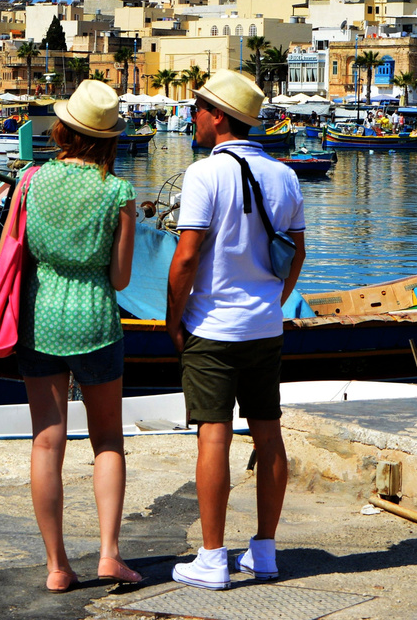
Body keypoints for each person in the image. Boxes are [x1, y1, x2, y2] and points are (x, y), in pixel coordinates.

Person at [166, 70, 306, 590]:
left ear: (219, 116)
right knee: (268, 433)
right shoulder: (284, 175)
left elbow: (185, 259)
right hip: (264, 327)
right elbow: (297, 253)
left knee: (214, 436)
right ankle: (264, 551)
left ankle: (210, 557)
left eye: (198, 108)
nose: (193, 116)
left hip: (213, 328)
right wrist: (274, 301)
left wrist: (172, 318)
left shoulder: (205, 174)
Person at [14, 80, 142, 591]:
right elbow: (120, 278)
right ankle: (109, 554)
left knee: (47, 442)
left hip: (39, 316)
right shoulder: (118, 191)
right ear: (109, 136)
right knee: (107, 440)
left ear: (64, 129)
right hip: (95, 319)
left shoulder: (30, 181)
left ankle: (57, 567)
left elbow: (12, 256)